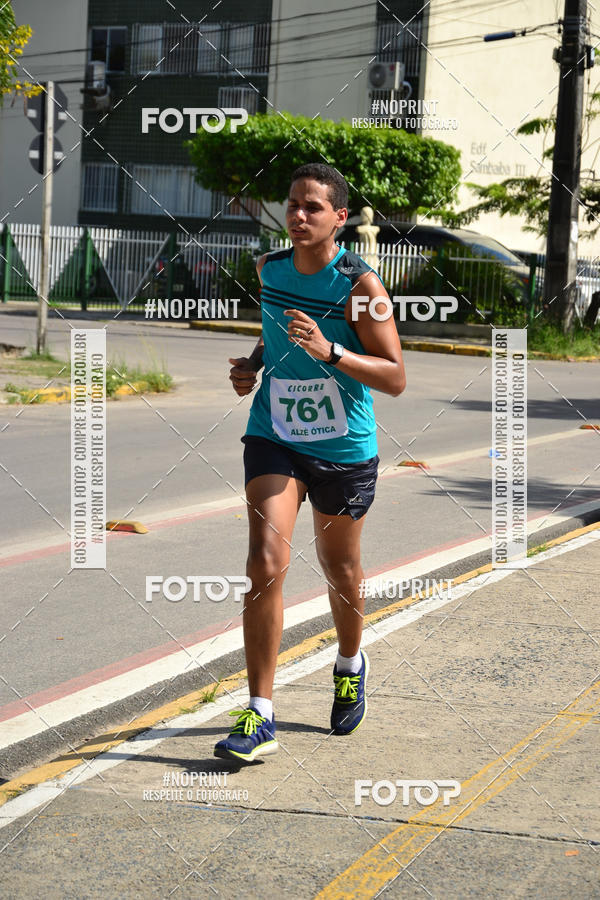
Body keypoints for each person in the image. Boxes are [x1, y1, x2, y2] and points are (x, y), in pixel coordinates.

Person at [214, 163, 406, 763]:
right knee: (265, 561)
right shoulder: (269, 269)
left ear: (339, 218)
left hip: (343, 446)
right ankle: (260, 712)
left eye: (313, 208)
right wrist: (252, 366)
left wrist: (333, 350)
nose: (299, 216)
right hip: (274, 434)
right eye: (293, 205)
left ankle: (349, 663)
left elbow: (396, 376)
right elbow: (273, 339)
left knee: (340, 568)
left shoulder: (362, 288)